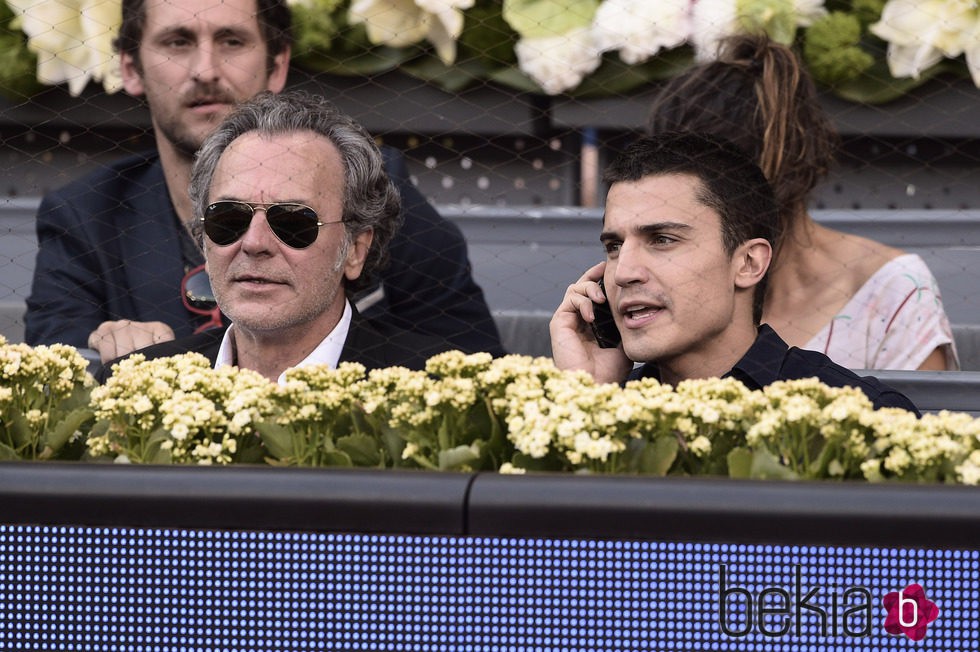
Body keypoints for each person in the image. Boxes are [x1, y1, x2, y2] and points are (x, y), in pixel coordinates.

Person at [25, 0, 504, 362]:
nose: (206, 70)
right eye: (177, 42)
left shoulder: (376, 187)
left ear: (277, 65)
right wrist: (104, 345)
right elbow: (53, 367)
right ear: (130, 68)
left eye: (232, 40)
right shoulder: (86, 212)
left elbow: (469, 360)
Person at [646, 34, 958, 372]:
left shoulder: (889, 292)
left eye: (715, 188)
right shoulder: (656, 292)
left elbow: (922, 419)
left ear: (782, 170)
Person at [550, 132, 919, 414]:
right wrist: (587, 397)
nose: (623, 273)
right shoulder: (600, 406)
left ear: (748, 264)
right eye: (614, 246)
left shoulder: (858, 417)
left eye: (662, 239)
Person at [101, 90, 455, 382]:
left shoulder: (439, 393)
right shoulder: (138, 385)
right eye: (228, 218)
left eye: (292, 222)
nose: (254, 244)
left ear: (355, 250)